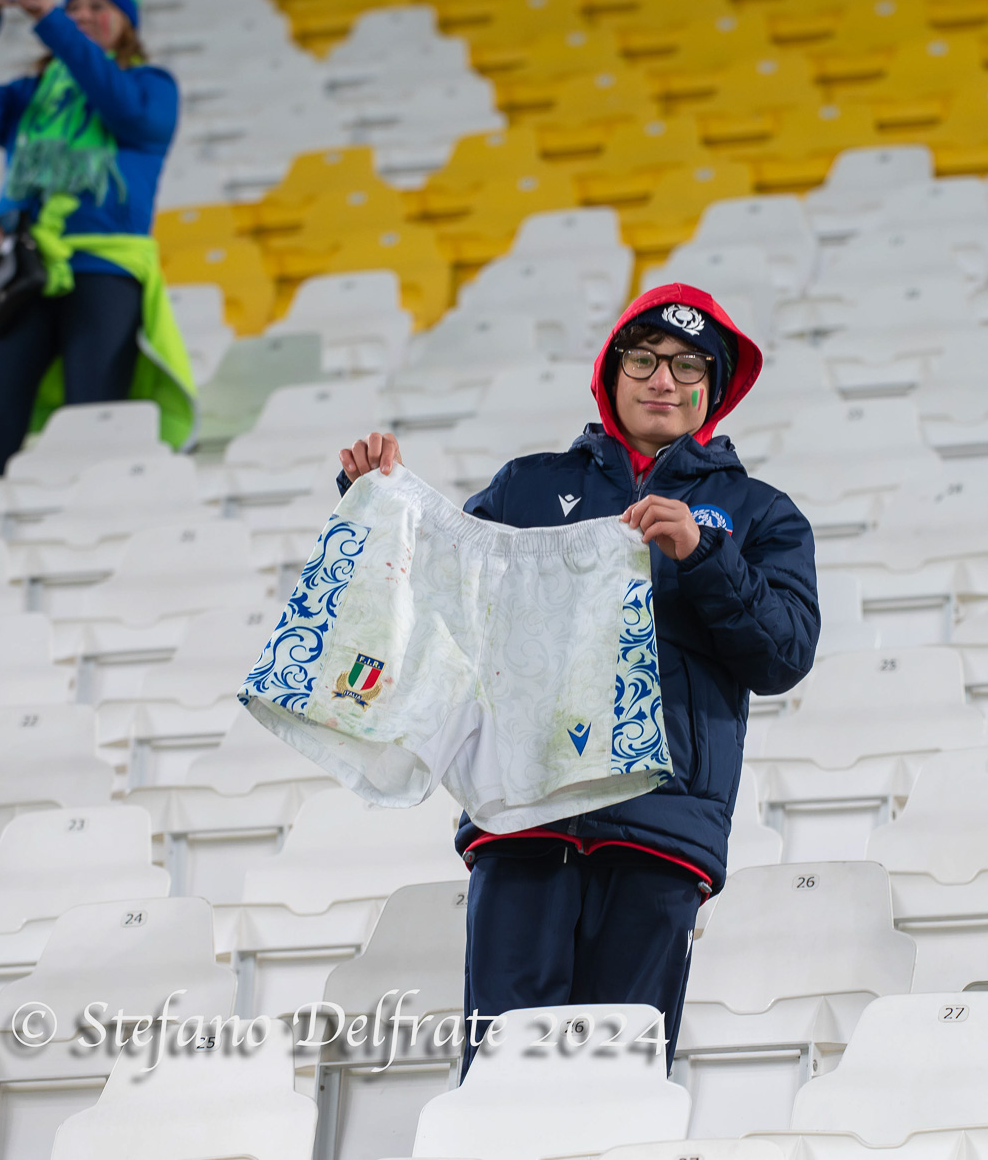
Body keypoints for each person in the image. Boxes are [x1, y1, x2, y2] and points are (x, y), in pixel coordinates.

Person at [337, 284, 820, 1073]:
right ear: (612, 371)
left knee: (616, 1082)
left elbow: (783, 654)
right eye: (645, 358)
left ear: (715, 388)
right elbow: (438, 606)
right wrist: (376, 505)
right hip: (522, 815)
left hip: (661, 827)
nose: (663, 379)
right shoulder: (525, 486)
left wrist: (706, 557)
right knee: (500, 1075)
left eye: (689, 365)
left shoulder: (760, 513)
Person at [0, 0, 192, 479]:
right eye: (73, 8)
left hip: (105, 268)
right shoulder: (32, 96)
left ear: (127, 23)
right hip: (19, 270)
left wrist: (49, 19)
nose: (81, 16)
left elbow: (119, 108)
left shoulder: (152, 86)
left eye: (97, 8)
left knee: (96, 420)